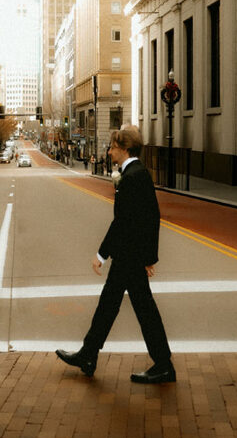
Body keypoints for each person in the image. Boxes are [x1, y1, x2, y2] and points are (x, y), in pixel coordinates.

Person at [56, 124, 175, 385]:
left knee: (139, 309)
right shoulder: (134, 174)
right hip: (130, 256)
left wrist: (103, 254)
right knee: (112, 306)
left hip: (128, 257)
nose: (109, 152)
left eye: (112, 147)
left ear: (124, 148)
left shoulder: (133, 176)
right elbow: (147, 218)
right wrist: (148, 256)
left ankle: (163, 365)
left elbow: (130, 221)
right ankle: (89, 355)